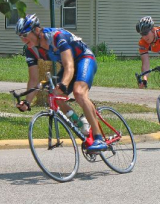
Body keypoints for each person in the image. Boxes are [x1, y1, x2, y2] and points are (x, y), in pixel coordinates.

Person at [15, 14, 107, 152]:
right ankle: (82, 125)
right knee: (54, 96)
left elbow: (69, 65)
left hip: (84, 58)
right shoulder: (31, 50)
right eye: (20, 36)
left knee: (79, 92)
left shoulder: (56, 37)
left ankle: (99, 138)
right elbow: (33, 79)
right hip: (67, 65)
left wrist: (63, 83)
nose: (23, 39)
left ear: (36, 30)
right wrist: (27, 102)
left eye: (25, 35)